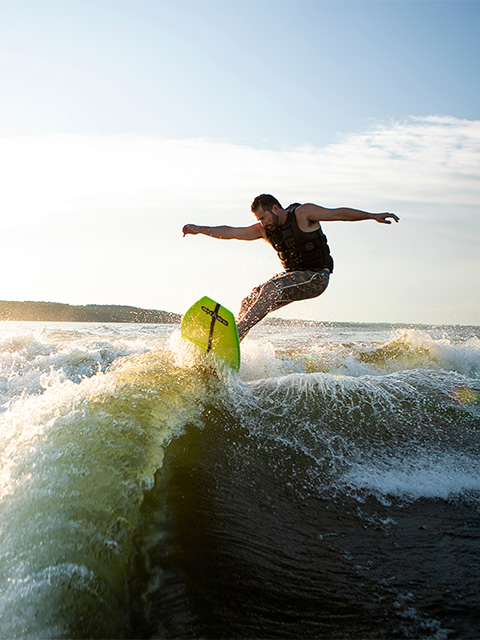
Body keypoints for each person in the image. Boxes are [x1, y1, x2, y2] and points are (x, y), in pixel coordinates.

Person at [182, 194, 399, 341]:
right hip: (292, 278)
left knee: (270, 290)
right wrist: (200, 229)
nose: (263, 222)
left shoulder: (303, 214)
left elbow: (338, 214)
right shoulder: (264, 230)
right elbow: (231, 232)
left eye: (264, 217)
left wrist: (372, 216)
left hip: (316, 277)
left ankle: (236, 334)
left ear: (276, 208)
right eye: (259, 219)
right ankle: (231, 347)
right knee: (249, 300)